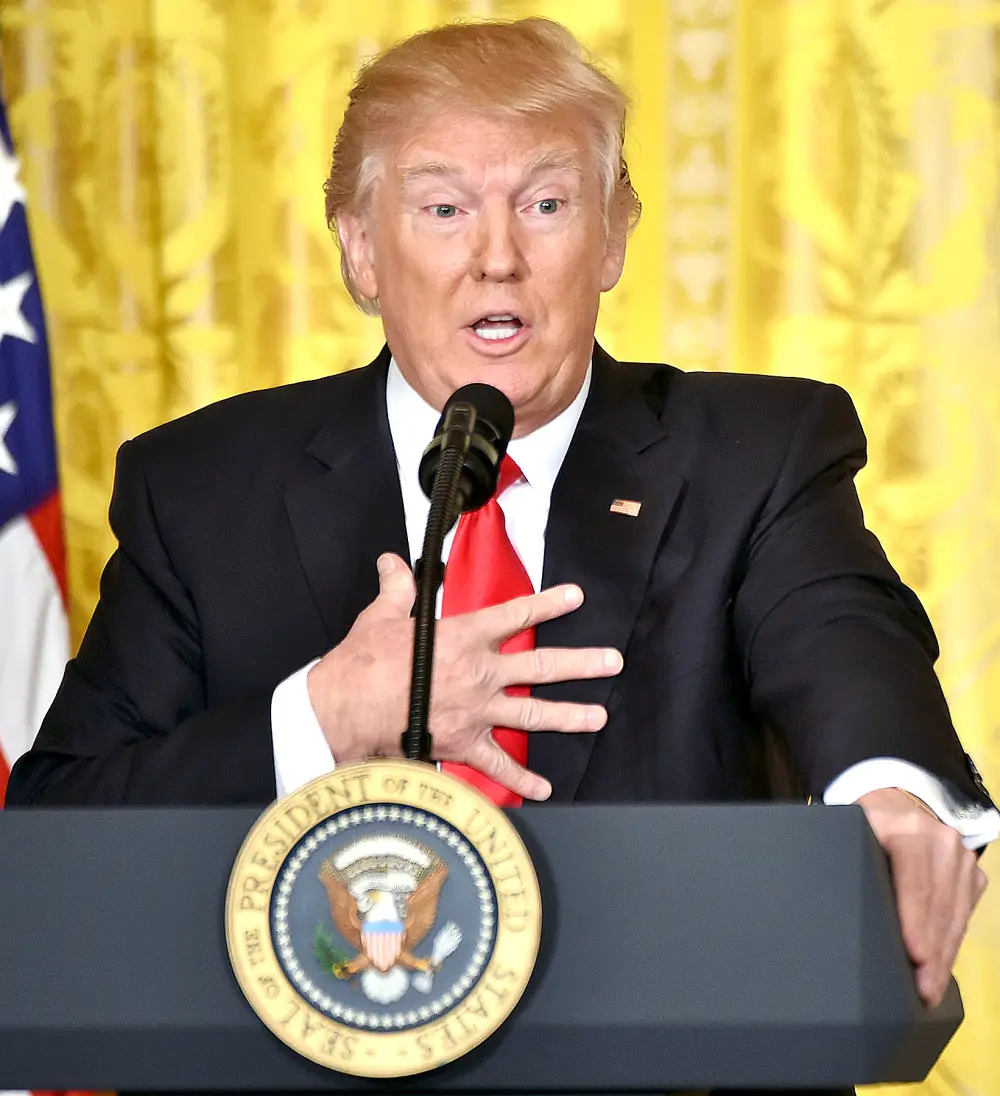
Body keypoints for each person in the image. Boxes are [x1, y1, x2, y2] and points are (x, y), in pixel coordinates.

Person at [6, 14, 995, 1058]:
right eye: (443, 209)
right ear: (360, 250)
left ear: (612, 236)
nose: (497, 259)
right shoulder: (202, 488)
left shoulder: (757, 456)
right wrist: (323, 718)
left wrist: (892, 792)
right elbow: (57, 838)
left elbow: (842, 637)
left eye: (546, 204)